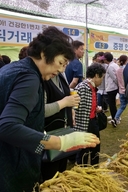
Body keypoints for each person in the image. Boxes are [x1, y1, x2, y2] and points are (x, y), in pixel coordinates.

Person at [0, 26, 100, 192]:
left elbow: (23, 129)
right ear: (44, 53)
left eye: (65, 65)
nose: (61, 70)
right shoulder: (29, 78)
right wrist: (62, 142)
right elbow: (7, 127)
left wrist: (42, 144)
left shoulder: (13, 69)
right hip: (10, 168)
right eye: (61, 63)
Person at [41, 69, 80, 181]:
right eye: (61, 62)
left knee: (61, 169)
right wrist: (65, 103)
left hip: (63, 131)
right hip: (49, 134)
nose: (63, 68)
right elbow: (40, 111)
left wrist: (71, 110)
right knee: (49, 174)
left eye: (65, 64)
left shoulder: (60, 75)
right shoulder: (41, 79)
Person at [74, 63, 106, 165]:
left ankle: (94, 169)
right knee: (83, 150)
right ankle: (81, 172)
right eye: (102, 77)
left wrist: (96, 110)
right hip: (83, 125)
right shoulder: (82, 87)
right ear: (96, 75)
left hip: (93, 122)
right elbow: (73, 107)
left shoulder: (93, 88)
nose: (102, 81)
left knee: (95, 147)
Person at [102, 52, 119, 127]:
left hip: (112, 88)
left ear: (106, 59)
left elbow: (114, 78)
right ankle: (115, 117)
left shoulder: (111, 66)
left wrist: (118, 85)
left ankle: (115, 118)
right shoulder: (114, 65)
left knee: (112, 104)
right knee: (112, 104)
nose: (103, 60)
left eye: (104, 59)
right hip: (113, 87)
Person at [115, 55, 128, 124]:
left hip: (121, 91)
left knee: (122, 106)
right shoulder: (127, 70)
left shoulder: (118, 70)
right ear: (126, 61)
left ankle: (116, 118)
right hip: (127, 91)